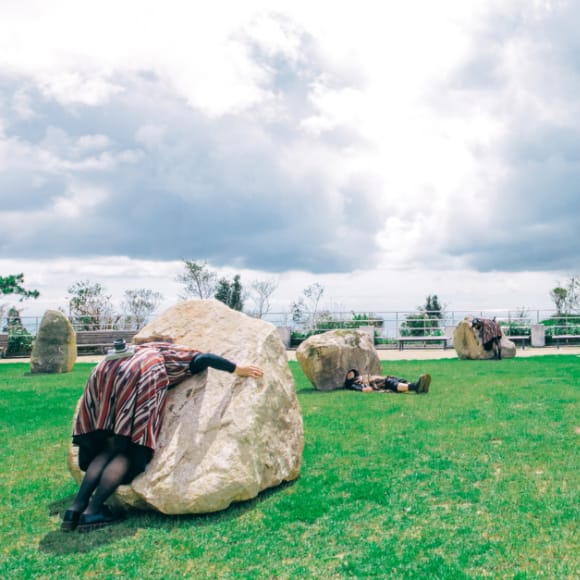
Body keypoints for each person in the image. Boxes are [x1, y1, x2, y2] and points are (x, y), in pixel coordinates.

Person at [61, 339, 263, 533]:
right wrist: (237, 368)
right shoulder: (174, 354)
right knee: (127, 452)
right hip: (138, 379)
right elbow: (204, 359)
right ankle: (94, 511)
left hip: (104, 376)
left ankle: (75, 509)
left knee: (109, 447)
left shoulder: (137, 349)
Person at [344, 369, 431, 394]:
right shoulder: (352, 384)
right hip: (379, 383)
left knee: (399, 380)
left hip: (383, 379)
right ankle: (416, 387)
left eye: (352, 372)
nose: (350, 373)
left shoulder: (357, 377)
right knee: (392, 383)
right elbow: (366, 390)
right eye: (349, 373)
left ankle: (421, 387)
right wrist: (367, 385)